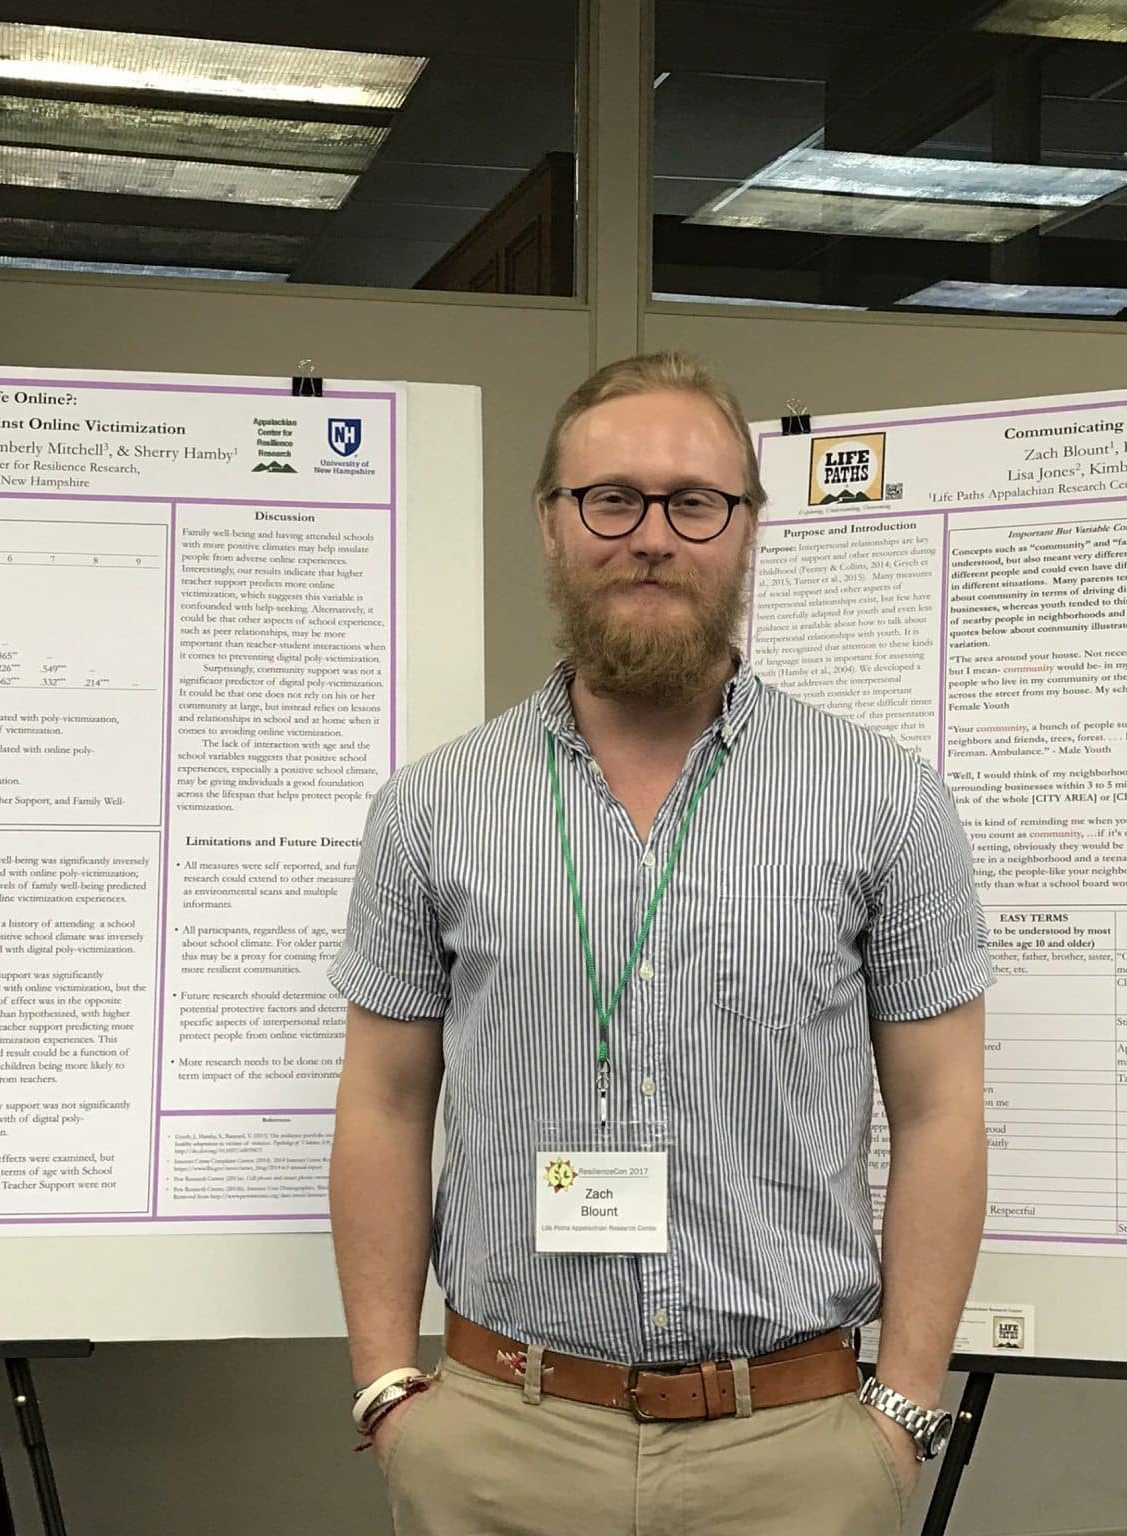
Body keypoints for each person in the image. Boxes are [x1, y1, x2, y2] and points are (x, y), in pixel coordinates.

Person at [328, 351, 993, 1535]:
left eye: (693, 503)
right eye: (611, 499)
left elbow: (938, 1109)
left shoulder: (883, 800)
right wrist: (386, 1388)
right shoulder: (430, 809)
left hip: (794, 1455)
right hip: (498, 1446)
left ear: (745, 530)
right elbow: (383, 1100)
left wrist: (900, 1411)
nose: (650, 537)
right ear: (549, 522)